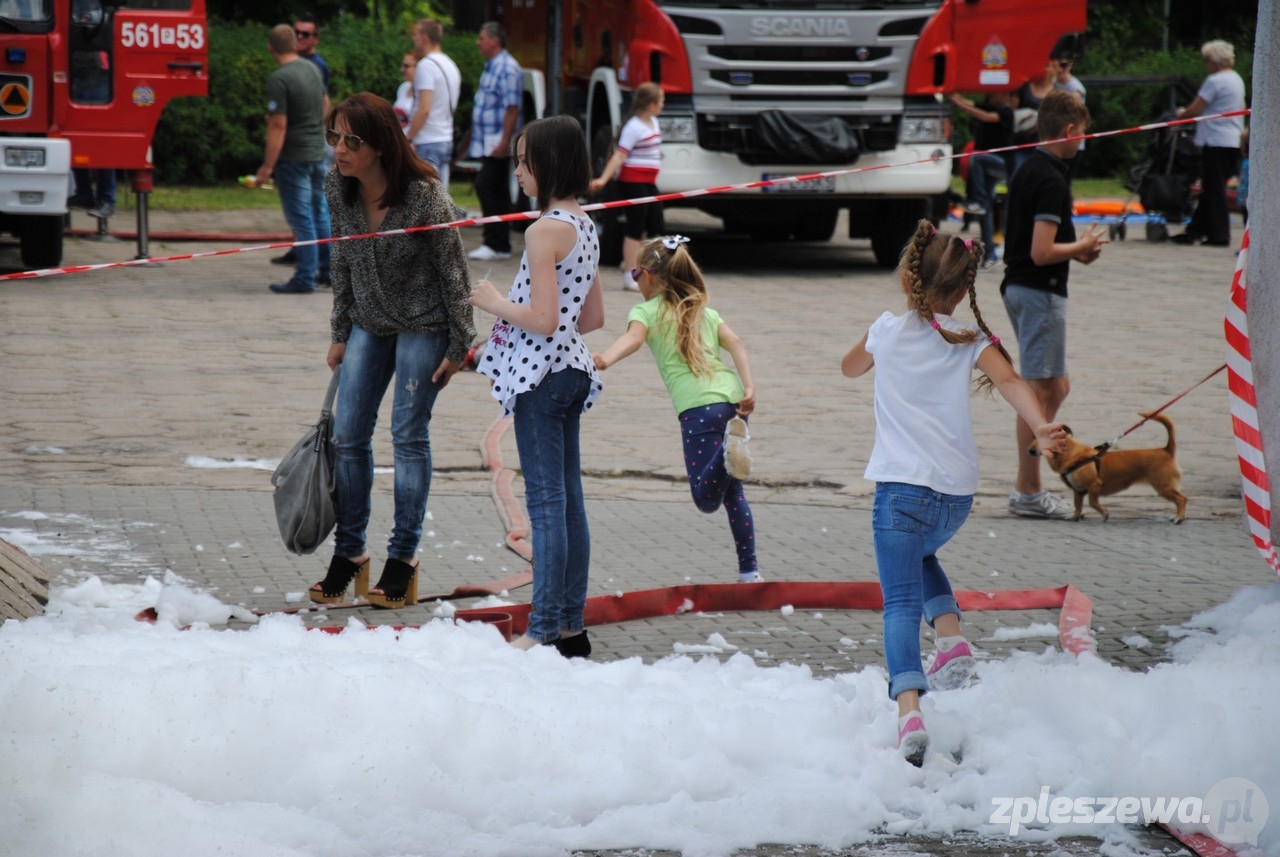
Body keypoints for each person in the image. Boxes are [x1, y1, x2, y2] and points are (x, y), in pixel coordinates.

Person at [841, 220, 1068, 766]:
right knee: (921, 553)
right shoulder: (971, 337)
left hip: (900, 490)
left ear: (908, 278)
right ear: (965, 286)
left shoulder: (885, 330)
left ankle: (910, 713)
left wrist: (875, 342)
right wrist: (1040, 427)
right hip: (955, 496)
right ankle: (951, 639)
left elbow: (849, 369)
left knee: (898, 603)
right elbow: (1013, 382)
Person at [307, 93, 476, 609]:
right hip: (369, 320)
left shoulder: (425, 196)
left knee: (408, 433)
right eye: (333, 136)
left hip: (425, 323)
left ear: (380, 147)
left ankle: (402, 558)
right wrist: (340, 331)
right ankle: (351, 553)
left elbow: (454, 272)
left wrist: (460, 343)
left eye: (351, 140)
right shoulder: (339, 187)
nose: (339, 148)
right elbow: (341, 261)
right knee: (349, 432)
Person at [469, 115, 605, 656]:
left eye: (524, 160)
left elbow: (546, 319)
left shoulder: (544, 229)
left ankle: (546, 627)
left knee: (547, 505)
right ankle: (570, 625)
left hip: (543, 377)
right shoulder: (587, 225)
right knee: (568, 501)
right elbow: (590, 317)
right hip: (571, 371)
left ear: (547, 164)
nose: (518, 170)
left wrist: (495, 302)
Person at [591, 234, 761, 583]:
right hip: (732, 403)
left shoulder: (645, 310)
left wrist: (605, 358)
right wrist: (749, 387)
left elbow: (633, 339)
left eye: (635, 275)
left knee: (705, 498)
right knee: (734, 494)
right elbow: (737, 343)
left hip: (697, 409)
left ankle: (729, 454)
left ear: (649, 276)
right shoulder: (704, 310)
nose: (635, 282)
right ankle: (750, 572)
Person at [1000, 89, 1106, 519]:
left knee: (1055, 387)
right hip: (1037, 289)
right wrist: (1079, 244)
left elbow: (1039, 245)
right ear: (1069, 130)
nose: (1083, 140)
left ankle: (1030, 483)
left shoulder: (1031, 168)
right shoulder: (1051, 179)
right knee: (1038, 393)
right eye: (1082, 134)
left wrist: (1078, 251)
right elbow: (1042, 251)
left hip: (1024, 286)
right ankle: (1028, 492)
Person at [256, 23, 331, 294]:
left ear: (270, 48)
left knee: (301, 218)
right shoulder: (312, 68)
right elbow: (325, 105)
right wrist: (313, 127)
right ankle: (329, 270)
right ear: (295, 44)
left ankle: (304, 277)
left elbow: (278, 126)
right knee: (319, 211)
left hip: (294, 157)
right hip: (316, 152)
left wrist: (267, 167)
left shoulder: (280, 78)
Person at [589, 82, 665, 291]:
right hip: (633, 181)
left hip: (649, 182)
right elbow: (619, 155)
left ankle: (644, 267)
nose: (662, 106)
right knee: (635, 227)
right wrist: (603, 179)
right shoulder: (634, 127)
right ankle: (630, 274)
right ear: (650, 104)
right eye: (660, 102)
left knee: (657, 224)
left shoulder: (654, 123)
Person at [1172, 40, 1246, 247]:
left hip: (1216, 140)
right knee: (1213, 187)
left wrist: (1180, 115)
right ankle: (1195, 229)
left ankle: (1220, 235)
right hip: (1232, 139)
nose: (1206, 65)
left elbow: (1196, 108)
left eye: (1207, 60)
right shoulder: (1236, 79)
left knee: (1214, 189)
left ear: (1215, 61)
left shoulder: (1215, 81)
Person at [465, 21, 522, 262]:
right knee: (496, 188)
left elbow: (512, 107)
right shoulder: (491, 67)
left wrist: (505, 140)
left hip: (497, 142)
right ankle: (500, 243)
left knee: (486, 185)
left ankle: (495, 241)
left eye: (481, 38)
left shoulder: (508, 68)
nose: (478, 43)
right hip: (487, 140)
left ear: (494, 40)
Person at [947, 90, 1013, 270]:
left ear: (1005, 95)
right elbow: (972, 103)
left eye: (993, 93)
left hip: (1001, 162)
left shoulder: (1006, 112)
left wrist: (960, 105)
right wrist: (955, 96)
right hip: (986, 167)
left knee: (975, 157)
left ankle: (977, 199)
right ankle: (990, 253)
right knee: (985, 211)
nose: (989, 96)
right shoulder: (989, 105)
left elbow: (985, 116)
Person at [407, 18, 462, 189]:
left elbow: (424, 109)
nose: (413, 39)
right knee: (440, 200)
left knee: (425, 201)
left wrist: (407, 137)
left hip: (428, 140)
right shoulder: (450, 65)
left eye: (415, 35)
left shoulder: (426, 66)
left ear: (424, 37)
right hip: (445, 138)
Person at [393, 52, 416, 134]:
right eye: (402, 66)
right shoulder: (404, 87)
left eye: (406, 66)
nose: (402, 69)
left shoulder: (424, 94)